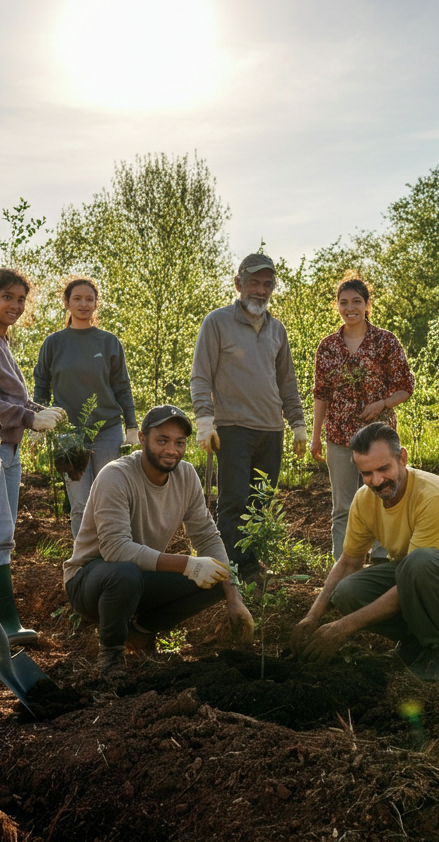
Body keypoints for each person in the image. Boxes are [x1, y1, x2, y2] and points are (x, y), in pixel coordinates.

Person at [291, 422, 439, 682]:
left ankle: (436, 650)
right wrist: (313, 615)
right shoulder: (365, 500)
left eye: (383, 469)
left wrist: (344, 627)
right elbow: (348, 562)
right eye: (367, 473)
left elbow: (415, 574)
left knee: (419, 563)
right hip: (417, 576)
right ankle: (413, 644)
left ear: (402, 458)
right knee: (347, 592)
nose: (376, 481)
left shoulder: (431, 496)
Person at [63, 404, 255, 681]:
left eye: (179, 443)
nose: (171, 450)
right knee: (123, 574)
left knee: (218, 576)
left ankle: (140, 633)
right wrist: (187, 564)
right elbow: (115, 549)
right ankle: (111, 656)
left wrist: (233, 597)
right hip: (91, 579)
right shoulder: (115, 476)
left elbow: (206, 535)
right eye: (162, 440)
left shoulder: (186, 476)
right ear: (142, 439)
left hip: (140, 576)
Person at [0, 268, 66, 646]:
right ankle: (5, 622)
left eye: (21, 299)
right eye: (8, 297)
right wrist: (27, 417)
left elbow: (13, 398)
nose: (16, 306)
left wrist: (39, 410)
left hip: (8, 449)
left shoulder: (1, 342)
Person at [191, 253, 307, 582]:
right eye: (253, 282)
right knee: (234, 500)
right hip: (232, 428)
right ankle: (235, 570)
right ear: (238, 283)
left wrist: (297, 424)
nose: (260, 289)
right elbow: (201, 376)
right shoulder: (217, 322)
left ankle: (251, 562)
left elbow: (286, 381)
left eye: (267, 283)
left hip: (271, 429)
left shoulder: (277, 330)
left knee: (261, 500)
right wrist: (204, 421)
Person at [310, 272, 414, 560]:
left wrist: (381, 404)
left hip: (378, 437)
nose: (350, 308)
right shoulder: (328, 346)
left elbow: (405, 387)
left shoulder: (385, 341)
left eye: (356, 301)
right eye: (344, 303)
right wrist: (316, 436)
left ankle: (383, 559)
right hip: (339, 436)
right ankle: (345, 565)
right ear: (337, 306)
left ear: (368, 305)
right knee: (343, 506)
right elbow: (321, 393)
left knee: (385, 497)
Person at [34, 276, 138, 538]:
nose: (83, 304)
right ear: (67, 302)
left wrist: (132, 426)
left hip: (107, 430)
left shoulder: (108, 342)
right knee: (80, 503)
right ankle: (83, 563)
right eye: (77, 299)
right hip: (69, 437)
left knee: (109, 498)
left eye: (89, 299)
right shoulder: (53, 343)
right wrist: (38, 420)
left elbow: (122, 386)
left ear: (96, 304)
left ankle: (113, 551)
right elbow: (41, 385)